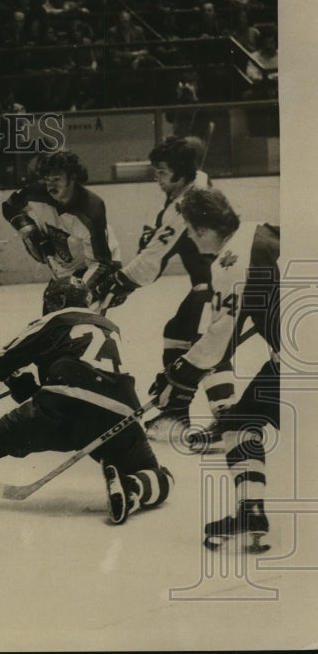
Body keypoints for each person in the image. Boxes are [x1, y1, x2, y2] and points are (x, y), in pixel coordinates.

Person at [0, 276, 174, 524]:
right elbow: (92, 378)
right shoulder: (109, 325)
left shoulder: (53, 321)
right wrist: (34, 391)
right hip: (121, 412)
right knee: (160, 474)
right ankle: (134, 487)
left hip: (64, 403)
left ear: (58, 301)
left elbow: (0, 363)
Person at [148, 187, 279, 552]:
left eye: (190, 230)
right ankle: (251, 513)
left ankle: (251, 511)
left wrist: (177, 377)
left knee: (237, 424)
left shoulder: (227, 262)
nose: (189, 237)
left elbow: (219, 337)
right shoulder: (261, 231)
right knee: (242, 419)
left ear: (204, 229)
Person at [90, 137, 235, 444]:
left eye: (163, 171)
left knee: (206, 343)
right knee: (178, 333)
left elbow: (154, 258)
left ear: (181, 174)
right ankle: (176, 413)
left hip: (217, 283)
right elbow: (156, 244)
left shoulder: (188, 204)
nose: (156, 176)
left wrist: (119, 283)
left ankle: (228, 420)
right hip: (211, 281)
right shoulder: (192, 188)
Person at [2, 150, 121, 292]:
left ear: (72, 178)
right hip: (66, 266)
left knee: (80, 310)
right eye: (47, 180)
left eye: (57, 179)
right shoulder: (36, 191)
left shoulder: (91, 209)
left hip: (100, 265)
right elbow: (9, 207)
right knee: (53, 308)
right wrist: (29, 230)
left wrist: (78, 293)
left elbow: (101, 263)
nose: (51, 186)